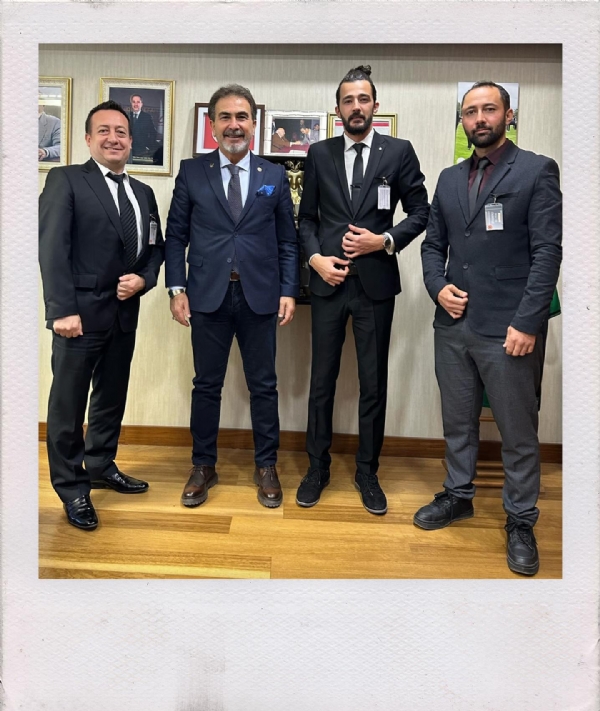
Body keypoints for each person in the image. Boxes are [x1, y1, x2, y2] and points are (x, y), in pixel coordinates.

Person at [415, 81, 562, 576]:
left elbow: (547, 253)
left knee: (517, 430)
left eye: (489, 109)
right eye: (470, 111)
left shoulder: (537, 170)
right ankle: (458, 495)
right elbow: (432, 246)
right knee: (457, 421)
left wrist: (528, 321)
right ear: (462, 121)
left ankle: (520, 519)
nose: (479, 118)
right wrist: (438, 287)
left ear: (508, 115)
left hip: (509, 329)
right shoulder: (448, 178)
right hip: (453, 324)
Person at [297, 65, 429, 515]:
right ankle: (317, 468)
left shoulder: (399, 152)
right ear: (338, 109)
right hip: (328, 283)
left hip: (375, 285)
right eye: (348, 100)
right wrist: (315, 259)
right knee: (322, 381)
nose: (356, 107)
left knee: (373, 383)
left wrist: (384, 240)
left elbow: (420, 212)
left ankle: (367, 472)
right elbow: (306, 219)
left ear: (376, 105)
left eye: (363, 99)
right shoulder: (319, 153)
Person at [165, 84, 298, 510]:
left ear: (254, 125)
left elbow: (288, 241)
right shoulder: (191, 172)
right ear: (212, 125)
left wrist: (288, 290)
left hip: (260, 296)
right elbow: (175, 237)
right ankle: (203, 465)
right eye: (225, 117)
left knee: (264, 386)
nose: (234, 125)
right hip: (207, 296)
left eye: (242, 117)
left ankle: (266, 465)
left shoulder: (274, 175)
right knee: (206, 385)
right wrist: (176, 288)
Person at [39, 100, 164, 530]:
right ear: (88, 138)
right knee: (68, 406)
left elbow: (156, 249)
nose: (114, 138)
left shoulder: (143, 193)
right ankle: (72, 488)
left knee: (111, 398)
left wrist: (144, 280)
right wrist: (61, 311)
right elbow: (52, 248)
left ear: (131, 141)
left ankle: (100, 465)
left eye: (121, 132)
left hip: (124, 315)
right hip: (78, 318)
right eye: (104, 131)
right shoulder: (66, 180)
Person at [129, 93, 158, 159]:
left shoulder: (147, 117)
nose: (136, 104)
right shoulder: (127, 116)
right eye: (133, 102)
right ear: (131, 104)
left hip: (142, 151)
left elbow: (153, 133)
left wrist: (148, 145)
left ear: (141, 104)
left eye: (138, 102)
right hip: (129, 150)